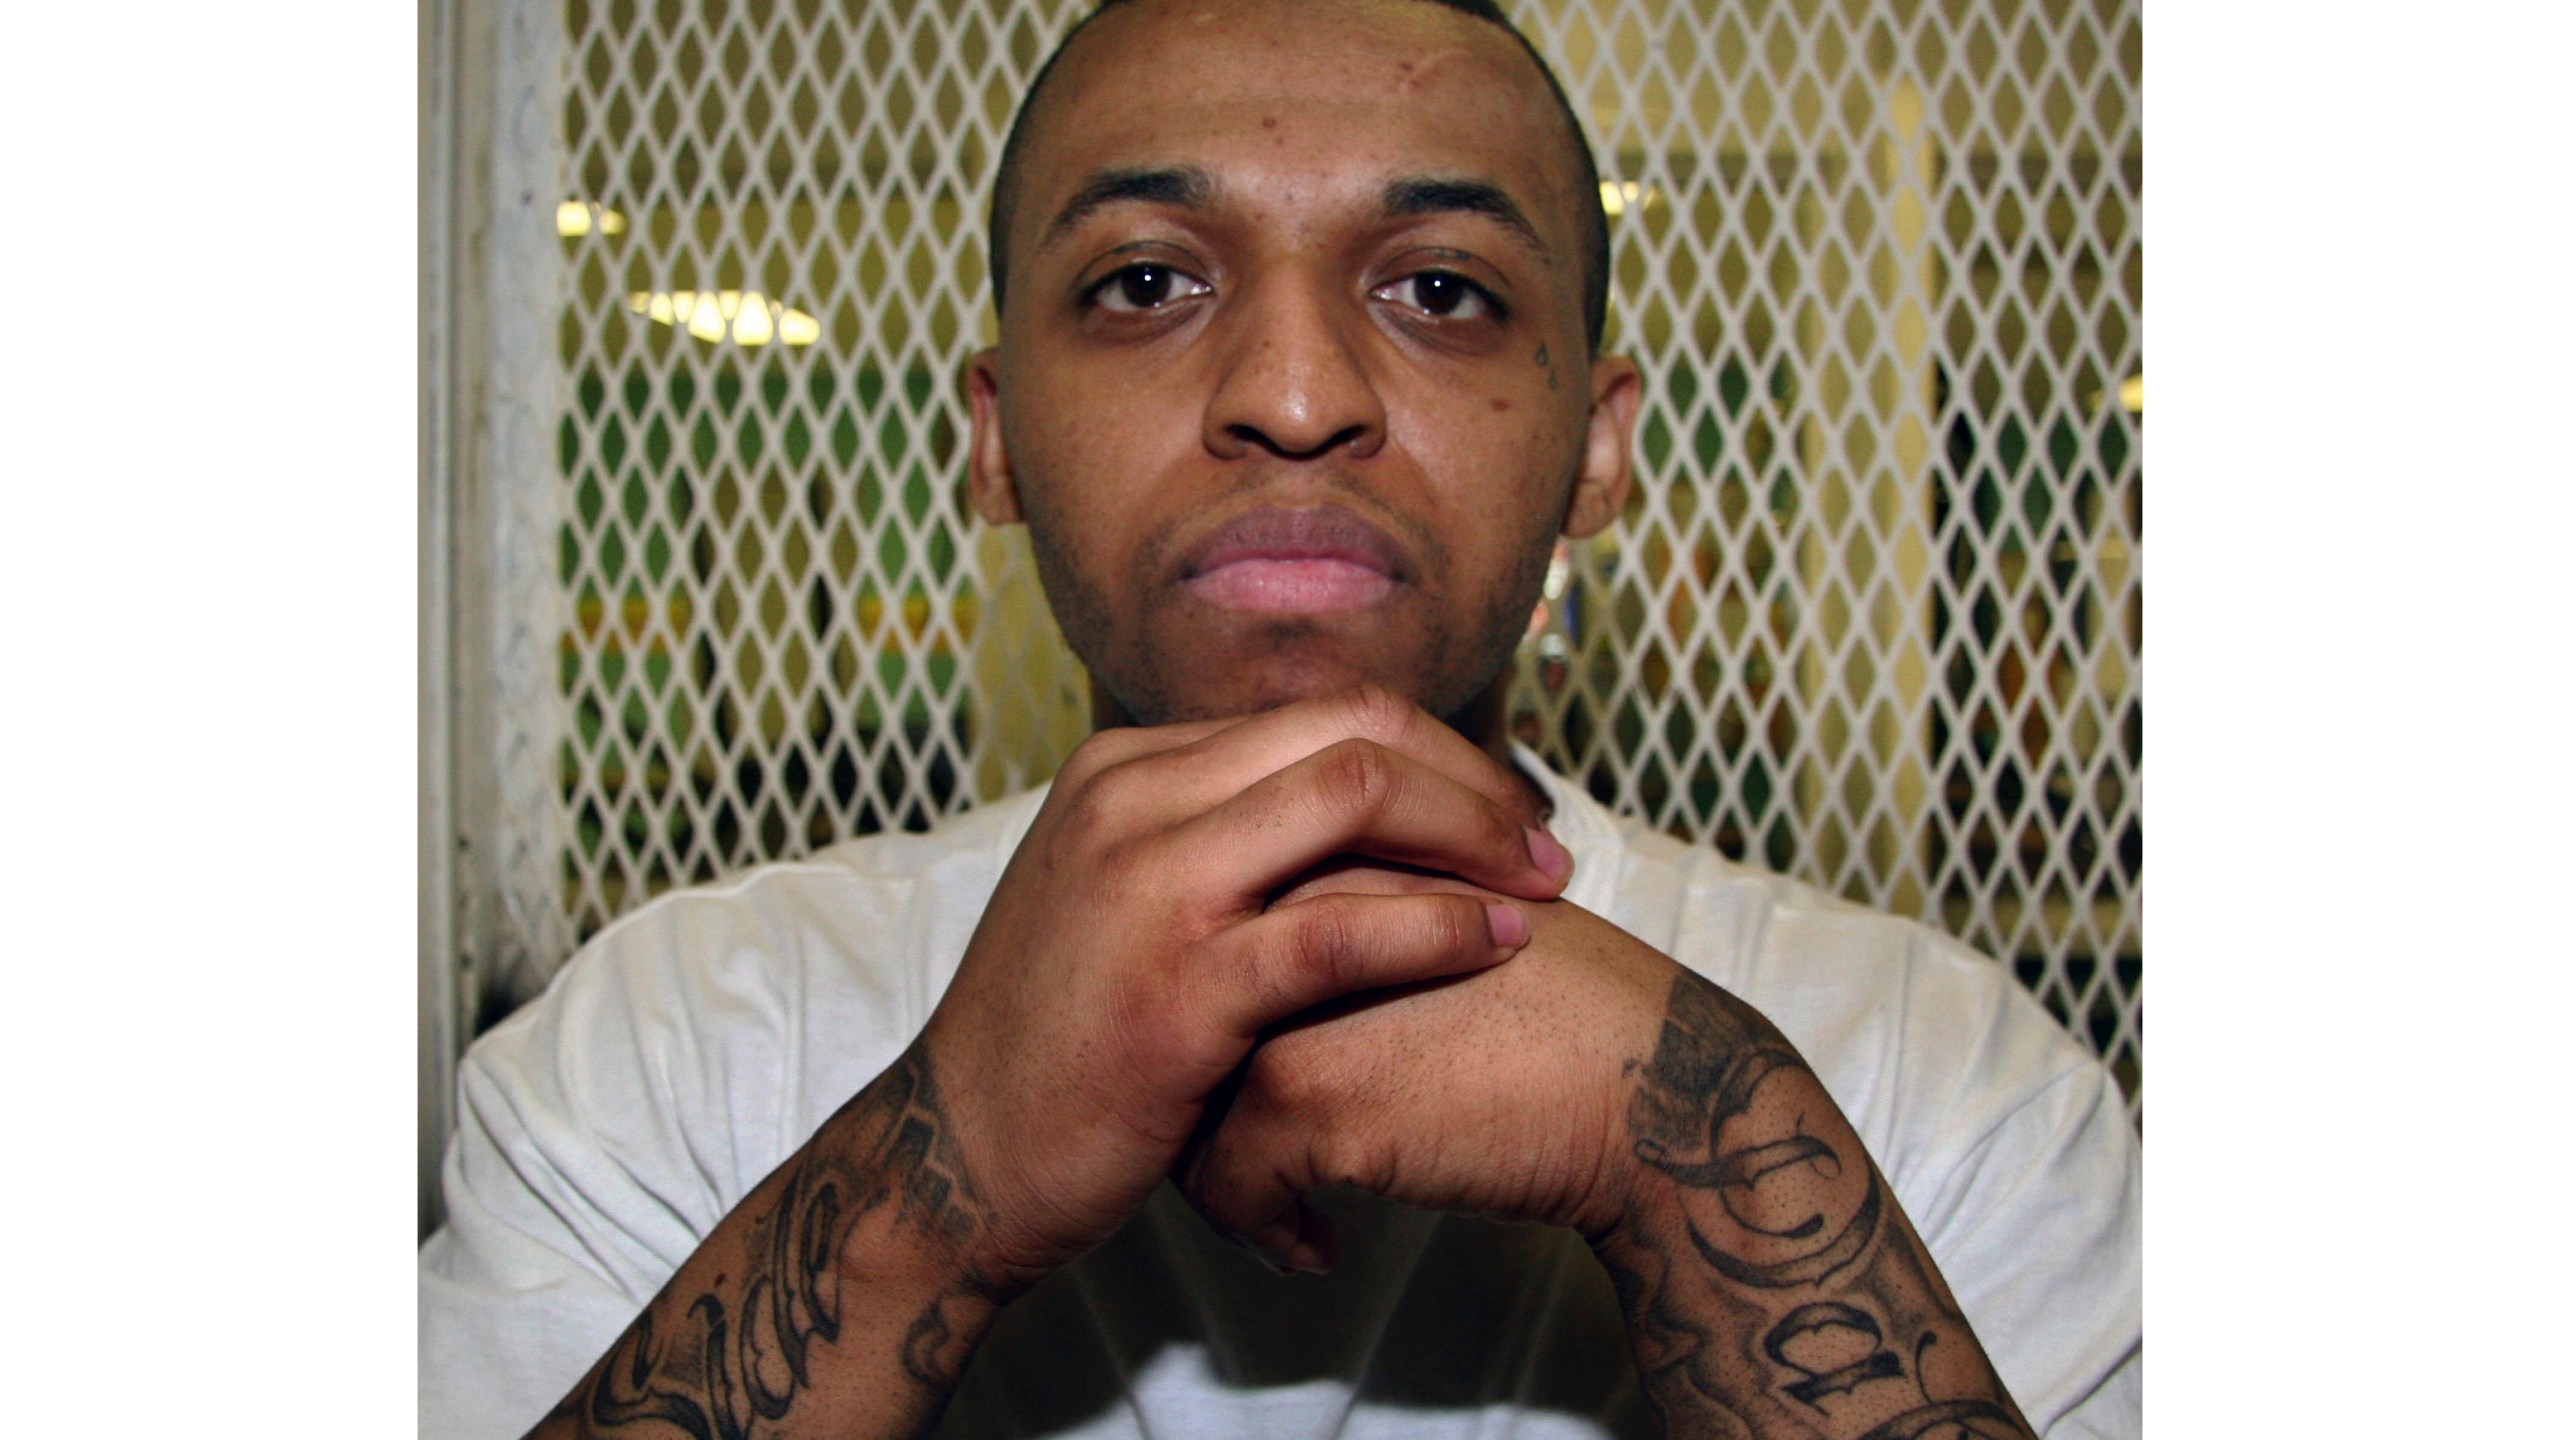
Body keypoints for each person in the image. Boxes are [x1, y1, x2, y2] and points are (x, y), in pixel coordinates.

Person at [419, 1, 2142, 1436]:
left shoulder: (1938, 1083)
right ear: (997, 439)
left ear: (1599, 447)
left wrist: (1699, 1153)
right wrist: (924, 1183)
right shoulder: (670, 1046)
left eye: (1444, 289)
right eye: (1148, 284)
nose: (1297, 396)